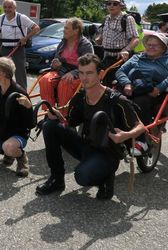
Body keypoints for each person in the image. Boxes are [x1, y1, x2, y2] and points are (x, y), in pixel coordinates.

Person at [36, 53, 145, 200]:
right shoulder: (80, 97)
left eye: (89, 73)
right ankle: (56, 179)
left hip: (108, 153)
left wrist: (123, 136)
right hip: (87, 146)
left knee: (81, 177)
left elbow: (140, 127)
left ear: (100, 74)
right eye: (81, 73)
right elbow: (70, 122)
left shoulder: (116, 100)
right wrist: (57, 116)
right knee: (50, 126)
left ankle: (106, 178)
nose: (84, 78)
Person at [115, 33, 168, 155]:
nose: (151, 47)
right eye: (149, 45)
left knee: (139, 103)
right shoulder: (138, 57)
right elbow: (120, 71)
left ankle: (141, 141)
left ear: (163, 47)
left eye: (155, 45)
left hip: (154, 92)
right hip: (132, 88)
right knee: (113, 99)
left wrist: (159, 87)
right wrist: (126, 83)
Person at [38, 18, 94, 108]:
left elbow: (87, 65)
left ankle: (63, 115)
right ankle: (49, 112)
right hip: (62, 69)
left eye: (66, 28)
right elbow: (57, 58)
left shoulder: (86, 45)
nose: (63, 30)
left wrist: (73, 73)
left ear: (76, 30)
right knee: (45, 80)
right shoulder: (63, 42)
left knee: (65, 83)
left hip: (79, 72)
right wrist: (55, 64)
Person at [0, 0, 40, 89]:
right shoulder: (1, 18)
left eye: (10, 7)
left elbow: (36, 28)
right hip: (4, 48)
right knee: (1, 72)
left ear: (14, 8)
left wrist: (25, 38)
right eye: (5, 7)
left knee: (19, 73)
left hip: (18, 48)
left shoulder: (21, 18)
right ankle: (1, 92)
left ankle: (22, 95)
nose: (7, 9)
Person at [97, 0, 139, 85]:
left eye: (115, 4)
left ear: (121, 5)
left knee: (115, 85)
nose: (111, 6)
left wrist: (126, 50)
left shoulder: (127, 18)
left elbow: (135, 39)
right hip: (106, 57)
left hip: (120, 59)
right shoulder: (106, 18)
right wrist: (98, 39)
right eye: (109, 3)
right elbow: (101, 37)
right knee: (100, 81)